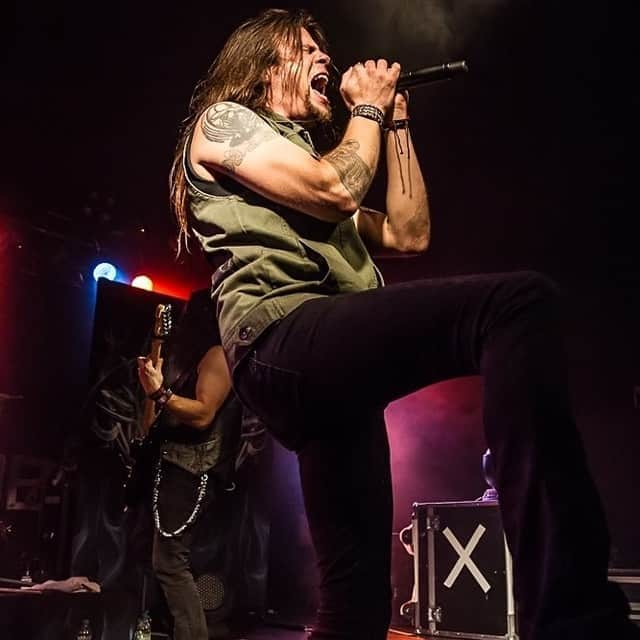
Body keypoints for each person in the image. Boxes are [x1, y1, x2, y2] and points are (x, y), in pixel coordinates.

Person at [167, 8, 638, 640]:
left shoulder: (306, 161)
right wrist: (365, 110)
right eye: (305, 49)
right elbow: (335, 189)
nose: (325, 60)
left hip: (328, 374)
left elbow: (408, 232)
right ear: (261, 65)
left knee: (355, 609)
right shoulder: (225, 121)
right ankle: (574, 616)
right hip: (283, 337)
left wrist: (395, 121)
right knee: (516, 306)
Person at [137, 290, 252, 640]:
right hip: (171, 468)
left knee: (171, 564)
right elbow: (149, 425)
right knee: (165, 563)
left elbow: (203, 414)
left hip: (191, 471)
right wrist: (154, 389)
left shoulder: (217, 355)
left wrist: (161, 394)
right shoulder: (188, 361)